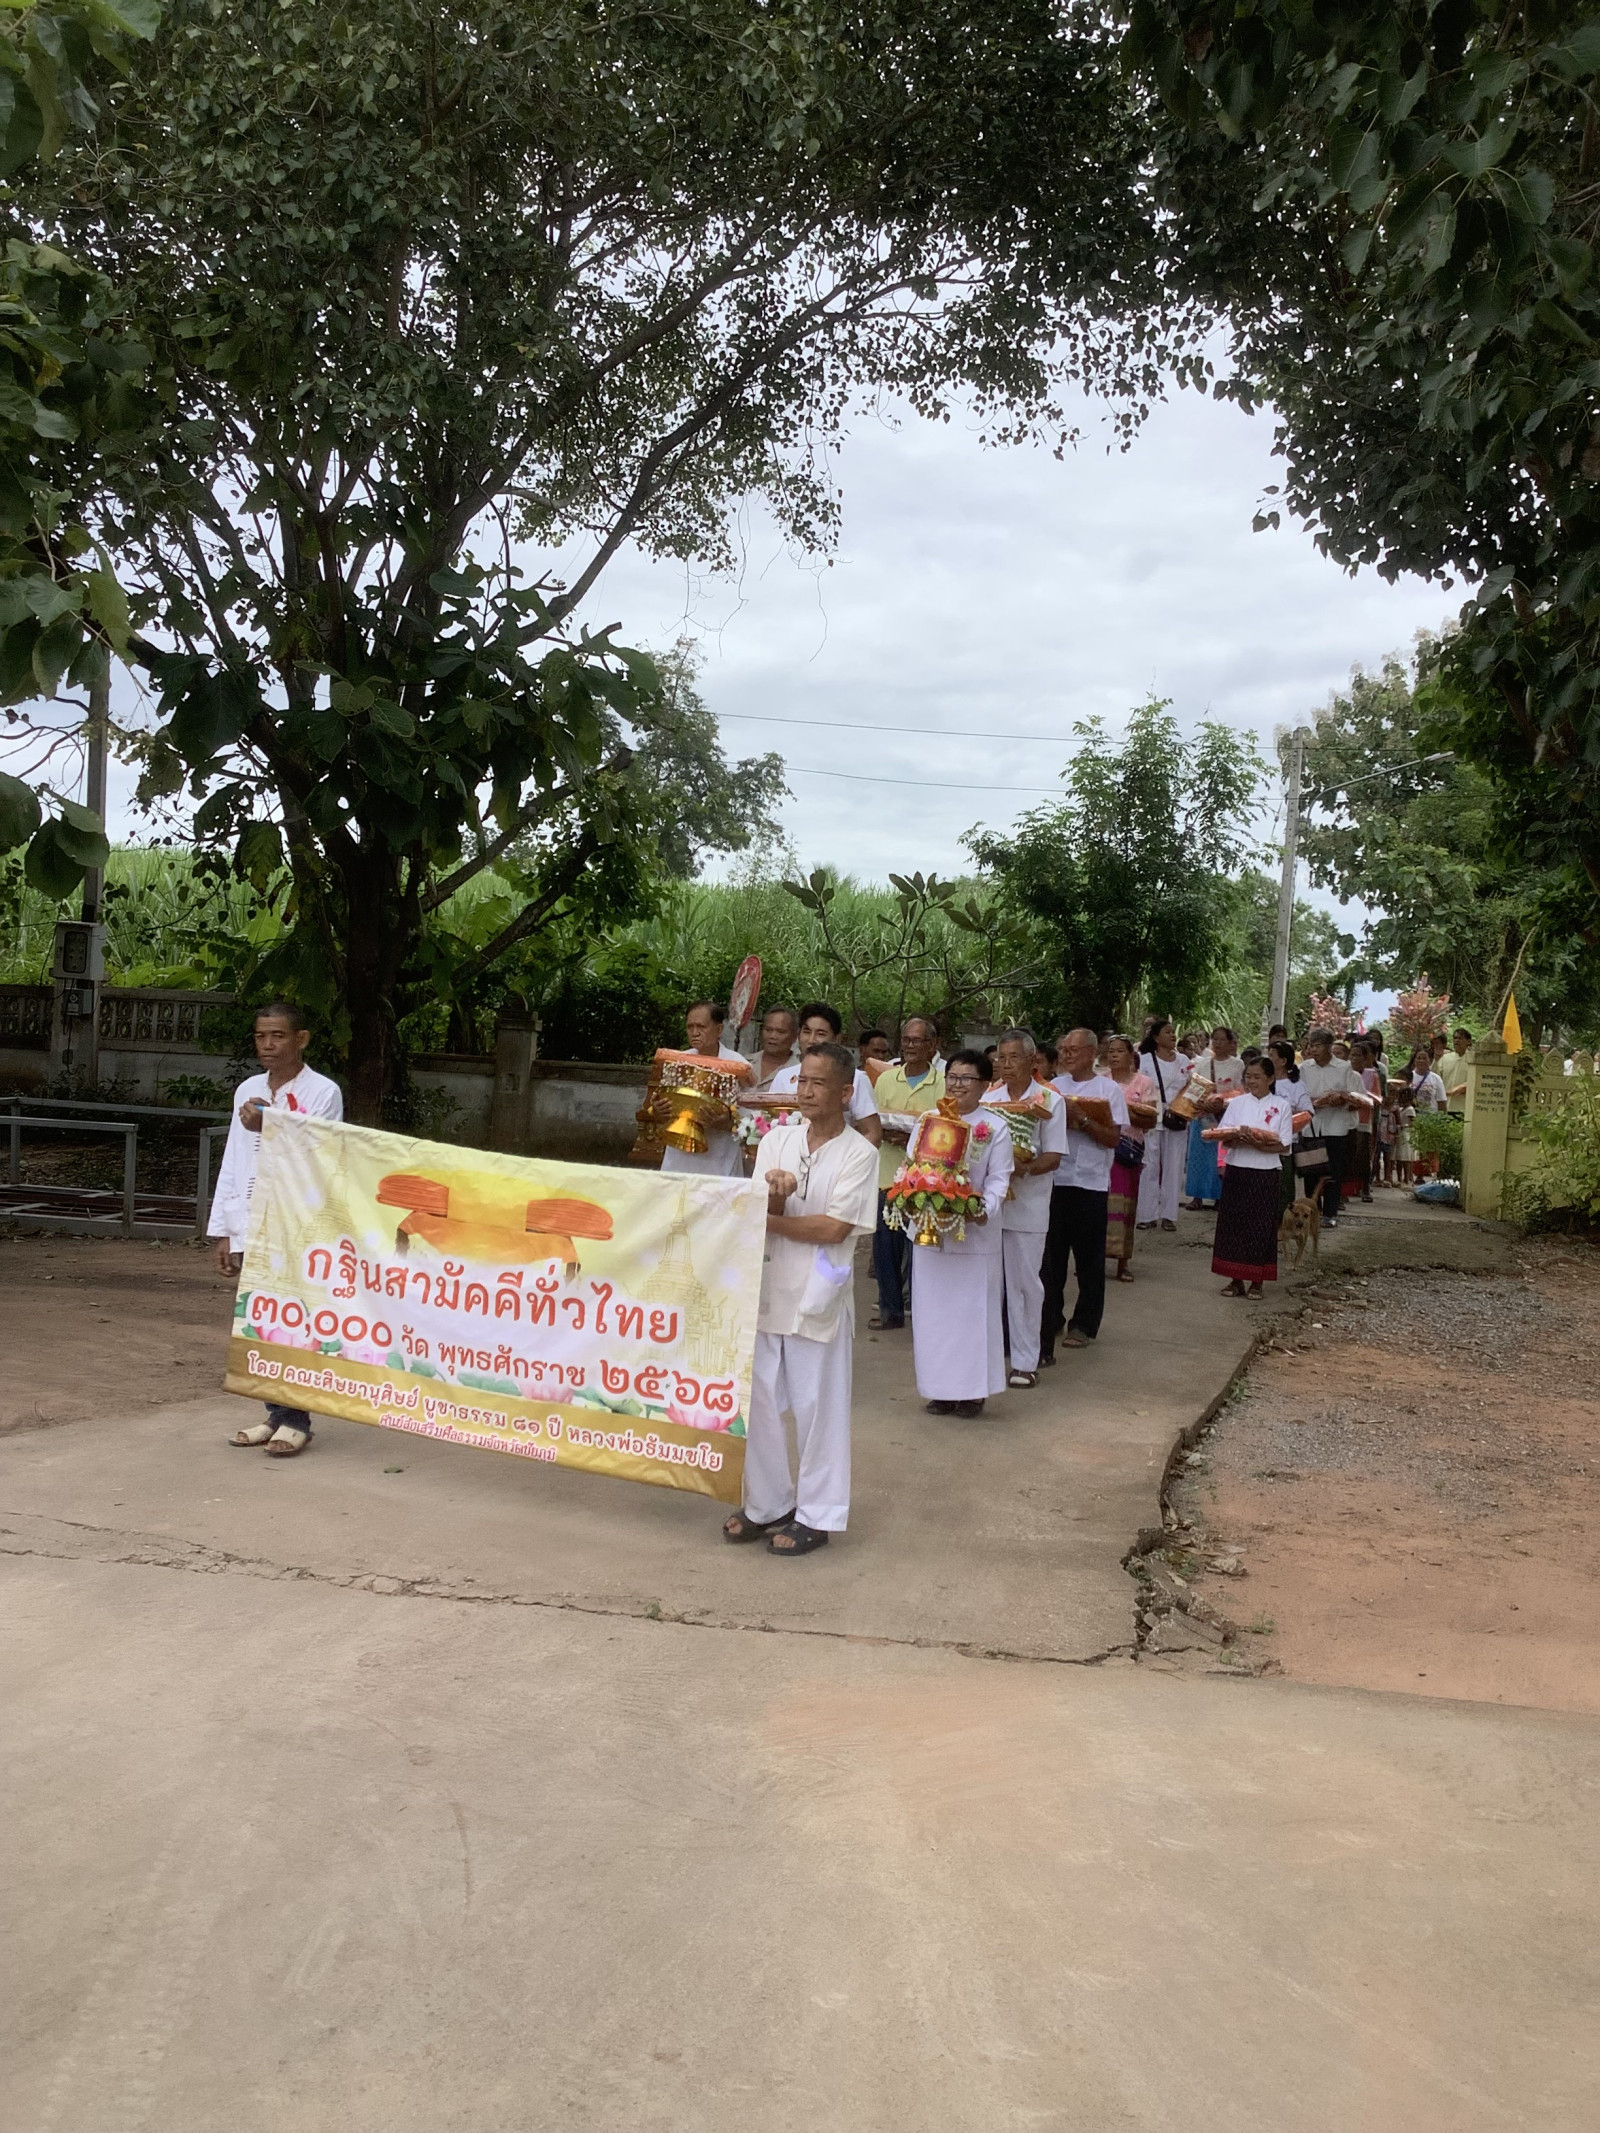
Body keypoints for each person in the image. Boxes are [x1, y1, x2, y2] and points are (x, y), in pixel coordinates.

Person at [723, 1042, 880, 1557]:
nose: (805, 1091)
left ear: (845, 1092)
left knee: (819, 1408)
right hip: (768, 1288)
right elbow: (758, 1200)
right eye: (802, 1081)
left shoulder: (861, 1153)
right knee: (760, 1400)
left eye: (817, 1083)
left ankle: (818, 1514)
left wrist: (769, 1219)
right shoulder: (778, 1140)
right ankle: (767, 1504)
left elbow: (834, 1228)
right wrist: (775, 1193)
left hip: (819, 1293)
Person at [210, 1001, 345, 1457]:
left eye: (278, 1036)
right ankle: (275, 1413)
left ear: (300, 1039)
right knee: (260, 1319)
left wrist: (270, 1121)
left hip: (299, 1222)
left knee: (294, 1321)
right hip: (252, 1218)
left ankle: (297, 1419)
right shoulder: (247, 1089)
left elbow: (317, 1151)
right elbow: (235, 1158)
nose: (267, 1045)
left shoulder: (324, 1092)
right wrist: (224, 1230)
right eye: (260, 1036)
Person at [907, 1049, 1014, 1417]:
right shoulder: (927, 1119)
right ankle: (939, 1390)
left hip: (973, 1235)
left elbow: (1000, 1179)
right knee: (933, 1315)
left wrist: (985, 1208)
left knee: (972, 1318)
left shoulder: (994, 1127)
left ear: (984, 1086)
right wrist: (910, 1193)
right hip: (930, 1232)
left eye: (966, 1079)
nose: (957, 1084)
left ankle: (972, 1393)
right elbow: (911, 1166)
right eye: (952, 1076)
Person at [1039, 1027, 1128, 1361]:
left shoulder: (1109, 1090)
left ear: (1092, 1053)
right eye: (1063, 1049)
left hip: (1090, 1182)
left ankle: (1085, 1323)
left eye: (1073, 1049)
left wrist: (1083, 1121)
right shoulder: (1052, 1088)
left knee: (1089, 1259)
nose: (1066, 1055)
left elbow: (1114, 1139)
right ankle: (1052, 1317)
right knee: (1052, 1258)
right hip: (1055, 1179)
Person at [985, 1028, 1065, 1389]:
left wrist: (1024, 1168)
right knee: (987, 1285)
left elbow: (1053, 1155)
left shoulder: (1050, 1100)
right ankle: (985, 1361)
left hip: (1029, 1205)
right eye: (1000, 1058)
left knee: (1024, 1286)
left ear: (1033, 1061)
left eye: (1013, 1057)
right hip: (989, 1205)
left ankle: (1025, 1361)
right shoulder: (989, 1098)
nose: (1005, 1065)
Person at [869, 1015, 945, 1331]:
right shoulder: (886, 1080)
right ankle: (891, 1310)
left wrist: (914, 1140)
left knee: (921, 1249)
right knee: (885, 1245)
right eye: (907, 1040)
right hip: (888, 1173)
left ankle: (922, 1310)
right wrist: (886, 1134)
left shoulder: (943, 1082)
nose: (911, 1046)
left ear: (933, 1045)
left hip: (927, 1179)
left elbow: (947, 1130)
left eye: (918, 1040)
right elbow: (872, 1120)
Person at [1209, 1056, 1294, 1298]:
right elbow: (1224, 1136)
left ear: (1270, 1079)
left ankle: (1257, 1280)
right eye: (1248, 1077)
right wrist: (1240, 1140)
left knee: (1261, 1226)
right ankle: (1235, 1278)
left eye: (1257, 1077)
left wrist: (1256, 1143)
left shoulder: (1281, 1106)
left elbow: (1283, 1145)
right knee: (1234, 1224)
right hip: (1238, 1168)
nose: (1252, 1081)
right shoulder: (1236, 1104)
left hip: (1266, 1172)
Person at [765, 1002, 883, 1146]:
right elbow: (767, 1124)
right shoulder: (783, 1076)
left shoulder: (856, 1078)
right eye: (806, 1031)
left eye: (821, 1034)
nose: (811, 1040)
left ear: (837, 1039)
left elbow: (873, 1134)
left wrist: (847, 1161)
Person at [1297, 1026, 1370, 1226]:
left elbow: (1353, 1096)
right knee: (1311, 1170)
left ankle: (1330, 1213)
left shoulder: (1344, 1068)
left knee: (1333, 1170)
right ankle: (1312, 1210)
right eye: (1311, 1045)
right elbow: (1300, 1096)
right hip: (1312, 1124)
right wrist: (1316, 1101)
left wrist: (1341, 1099)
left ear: (1329, 1047)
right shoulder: (1305, 1068)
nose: (1313, 1049)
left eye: (1318, 1045)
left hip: (1336, 1126)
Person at [1103, 1034, 1155, 1283]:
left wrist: (1122, 1111)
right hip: (1101, 1149)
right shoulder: (1100, 1081)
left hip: (1127, 1150)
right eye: (1110, 1051)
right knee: (1097, 1206)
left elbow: (1149, 1119)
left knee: (1124, 1207)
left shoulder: (1143, 1083)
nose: (1113, 1055)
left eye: (1119, 1051)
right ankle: (1092, 1259)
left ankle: (1123, 1262)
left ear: (1130, 1056)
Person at [1136, 1019, 1190, 1232]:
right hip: (1152, 1117)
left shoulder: (1184, 1060)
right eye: (1167, 1032)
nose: (1173, 1036)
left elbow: (1191, 1086)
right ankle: (1147, 1214)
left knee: (1173, 1166)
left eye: (1173, 1032)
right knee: (1149, 1165)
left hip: (1176, 1117)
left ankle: (1169, 1215)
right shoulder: (1144, 1060)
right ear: (1156, 1037)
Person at [1184, 1025, 1244, 1210]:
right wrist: (1203, 1104)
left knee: (1220, 1157)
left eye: (1222, 1039)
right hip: (1202, 1116)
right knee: (1198, 1158)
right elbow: (1192, 1090)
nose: (1217, 1043)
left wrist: (1222, 1102)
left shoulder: (1237, 1065)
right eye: (1214, 1039)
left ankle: (1220, 1196)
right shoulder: (1201, 1064)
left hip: (1225, 1116)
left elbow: (1241, 1091)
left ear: (1230, 1043)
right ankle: (1197, 1196)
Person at [745, 1005, 800, 1091]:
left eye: (781, 1032)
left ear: (794, 1037)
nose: (773, 1036)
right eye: (768, 1030)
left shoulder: (799, 1072)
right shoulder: (744, 1063)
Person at [1406, 1045, 1448, 1113]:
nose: (1421, 1061)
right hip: (1412, 1116)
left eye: (1424, 1058)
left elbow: (1441, 1102)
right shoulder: (1408, 1077)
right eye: (1418, 1058)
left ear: (1430, 1061)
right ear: (1414, 1060)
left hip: (1430, 1117)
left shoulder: (1436, 1079)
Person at [1441, 1027, 1473, 1113]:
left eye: (1460, 1038)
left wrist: (1461, 1088)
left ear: (1468, 1042)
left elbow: (1475, 1081)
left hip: (1463, 1107)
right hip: (1445, 1105)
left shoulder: (1473, 1060)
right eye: (1455, 1038)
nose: (1457, 1041)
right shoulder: (1445, 1058)